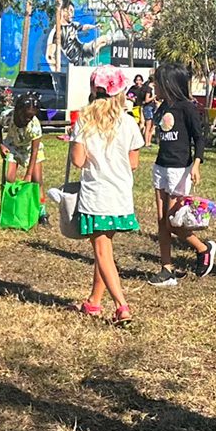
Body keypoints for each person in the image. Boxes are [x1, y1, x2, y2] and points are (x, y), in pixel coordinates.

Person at [70, 65, 144, 323]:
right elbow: (133, 162)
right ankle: (94, 301)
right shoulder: (130, 122)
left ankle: (122, 306)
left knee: (102, 253)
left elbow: (78, 161)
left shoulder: (84, 119)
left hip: (96, 195)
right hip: (121, 195)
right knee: (105, 250)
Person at [147, 61, 215, 286]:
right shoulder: (162, 107)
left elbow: (199, 137)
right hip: (161, 166)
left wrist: (196, 164)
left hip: (179, 169)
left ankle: (203, 248)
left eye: (157, 81)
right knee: (161, 221)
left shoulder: (187, 107)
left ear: (169, 83)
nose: (154, 85)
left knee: (172, 222)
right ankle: (166, 269)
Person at [0, 91, 48, 225]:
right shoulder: (7, 116)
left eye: (31, 117)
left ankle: (42, 212)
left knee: (37, 181)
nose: (27, 120)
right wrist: (1, 145)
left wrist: (28, 174)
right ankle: (8, 207)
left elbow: (35, 150)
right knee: (9, 178)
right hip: (13, 145)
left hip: (30, 150)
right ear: (18, 110)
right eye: (25, 116)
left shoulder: (34, 126)